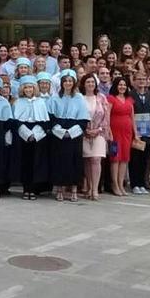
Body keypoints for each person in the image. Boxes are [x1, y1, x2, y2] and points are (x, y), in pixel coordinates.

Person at [48, 69, 89, 202]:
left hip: (74, 133)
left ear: (74, 82)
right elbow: (51, 117)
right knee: (59, 161)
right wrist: (60, 131)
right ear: (62, 82)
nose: (68, 83)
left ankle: (74, 190)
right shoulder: (54, 98)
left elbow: (83, 119)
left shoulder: (79, 98)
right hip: (58, 133)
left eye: (70, 81)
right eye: (65, 81)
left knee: (74, 162)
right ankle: (59, 189)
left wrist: (71, 132)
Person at [10, 75, 50, 200]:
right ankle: (25, 189)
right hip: (23, 135)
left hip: (38, 135)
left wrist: (35, 134)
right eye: (26, 87)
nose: (28, 90)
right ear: (22, 89)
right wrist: (26, 133)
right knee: (24, 163)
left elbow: (45, 121)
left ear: (34, 88)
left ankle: (33, 189)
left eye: (31, 87)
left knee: (36, 162)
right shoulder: (18, 102)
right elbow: (15, 122)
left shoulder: (41, 102)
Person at [107, 77, 139, 197]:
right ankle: (114, 185)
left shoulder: (129, 100)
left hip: (127, 133)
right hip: (114, 133)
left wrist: (136, 133)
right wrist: (109, 131)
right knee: (115, 159)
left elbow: (132, 117)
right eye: (120, 85)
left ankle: (121, 184)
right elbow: (107, 116)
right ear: (116, 86)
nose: (122, 87)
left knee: (124, 159)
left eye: (124, 85)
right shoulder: (111, 98)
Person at [81, 75, 109, 201]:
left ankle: (95, 189)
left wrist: (98, 130)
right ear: (84, 84)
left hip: (99, 132)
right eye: (88, 82)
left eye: (92, 82)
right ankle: (89, 187)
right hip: (84, 133)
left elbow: (106, 117)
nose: (91, 84)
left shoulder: (101, 98)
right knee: (87, 160)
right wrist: (85, 130)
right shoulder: (79, 98)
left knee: (96, 159)